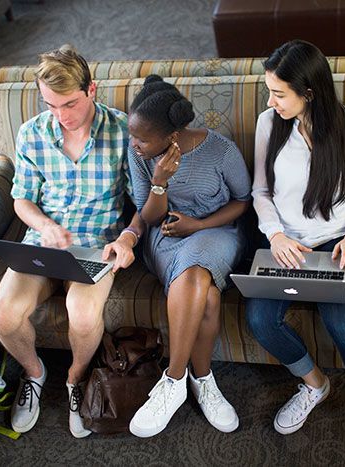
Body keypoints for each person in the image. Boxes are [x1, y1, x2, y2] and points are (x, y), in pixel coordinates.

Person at [246, 40, 345, 466]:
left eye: (279, 93)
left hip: (338, 241)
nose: (271, 101)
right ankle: (315, 384)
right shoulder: (268, 123)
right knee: (260, 319)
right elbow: (260, 192)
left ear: (308, 92)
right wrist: (275, 235)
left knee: (343, 326)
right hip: (286, 243)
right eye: (269, 91)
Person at [0, 45, 144, 438]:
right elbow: (21, 199)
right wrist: (44, 225)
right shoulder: (32, 132)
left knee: (82, 312)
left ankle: (75, 380)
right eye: (51, 105)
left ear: (92, 89)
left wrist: (128, 237)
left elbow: (146, 204)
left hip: (97, 243)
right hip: (43, 242)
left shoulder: (122, 130)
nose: (61, 117)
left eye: (70, 104)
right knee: (5, 315)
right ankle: (35, 373)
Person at [126, 75, 251, 438]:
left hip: (215, 231)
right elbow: (147, 216)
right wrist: (161, 181)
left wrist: (198, 225)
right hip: (164, 237)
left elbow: (242, 202)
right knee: (207, 296)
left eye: (142, 138)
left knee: (197, 276)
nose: (134, 144)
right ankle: (204, 380)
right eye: (133, 136)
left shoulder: (221, 151)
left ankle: (174, 379)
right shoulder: (140, 155)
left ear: (172, 136)